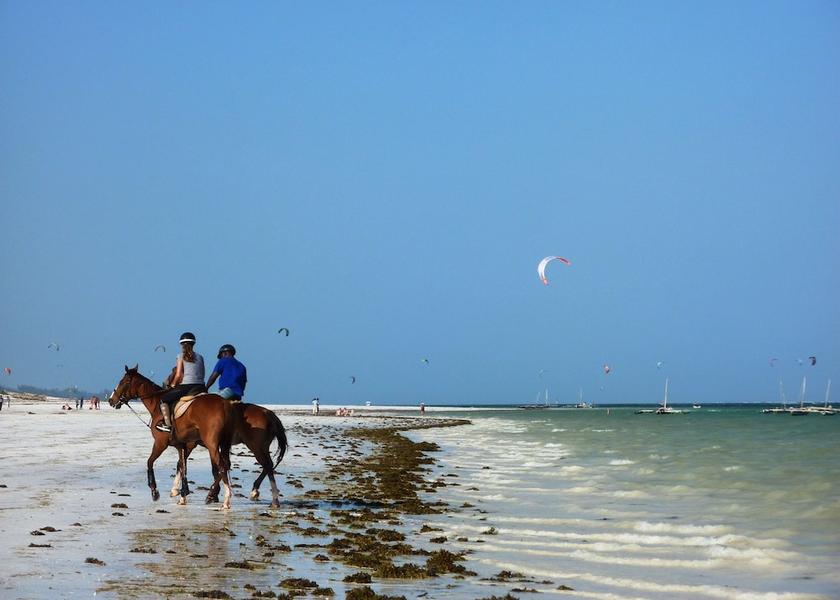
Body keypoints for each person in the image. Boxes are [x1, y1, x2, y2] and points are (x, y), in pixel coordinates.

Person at [157, 332, 206, 433]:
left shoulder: (180, 356)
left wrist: (173, 385)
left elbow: (179, 375)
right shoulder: (200, 357)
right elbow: (203, 374)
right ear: (193, 344)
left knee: (163, 399)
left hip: (187, 386)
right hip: (201, 387)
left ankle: (167, 425)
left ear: (181, 345)